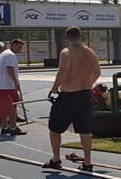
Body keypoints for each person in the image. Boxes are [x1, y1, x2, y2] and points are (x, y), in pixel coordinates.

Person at [43, 26, 101, 171]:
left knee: (54, 128)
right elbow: (98, 72)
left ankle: (56, 159)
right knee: (85, 130)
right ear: (80, 36)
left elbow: (63, 71)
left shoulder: (66, 52)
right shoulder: (90, 52)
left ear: (67, 38)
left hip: (69, 95)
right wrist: (89, 83)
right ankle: (87, 162)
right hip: (86, 95)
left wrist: (55, 87)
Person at [0, 38, 26, 136]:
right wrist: (16, 82)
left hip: (0, 85)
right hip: (8, 86)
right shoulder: (10, 55)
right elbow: (10, 69)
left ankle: (5, 127)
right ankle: (13, 127)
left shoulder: (3, 54)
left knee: (4, 106)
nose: (20, 49)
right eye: (19, 47)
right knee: (13, 106)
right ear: (13, 45)